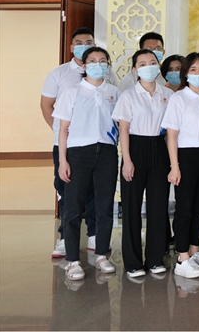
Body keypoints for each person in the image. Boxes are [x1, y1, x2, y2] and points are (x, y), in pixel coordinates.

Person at [41, 27, 115, 258]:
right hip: (69, 145)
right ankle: (66, 239)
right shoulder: (60, 74)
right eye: (80, 43)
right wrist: (63, 133)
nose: (85, 46)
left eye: (89, 42)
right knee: (68, 192)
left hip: (102, 147)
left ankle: (94, 235)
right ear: (73, 47)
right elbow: (47, 106)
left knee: (97, 194)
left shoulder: (110, 82)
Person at [53, 47, 120, 281]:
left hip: (107, 152)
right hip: (78, 153)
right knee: (73, 207)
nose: (97, 64)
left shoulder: (114, 92)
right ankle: (72, 260)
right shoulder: (72, 92)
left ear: (108, 65)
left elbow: (121, 125)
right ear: (84, 66)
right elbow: (63, 129)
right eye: (92, 61)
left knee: (104, 205)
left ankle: (101, 254)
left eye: (102, 61)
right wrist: (63, 161)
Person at [112, 49, 174, 278]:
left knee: (158, 207)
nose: (148, 66)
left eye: (152, 62)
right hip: (135, 149)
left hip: (159, 147)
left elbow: (171, 130)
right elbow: (124, 130)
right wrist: (127, 160)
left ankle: (155, 259)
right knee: (132, 208)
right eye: (142, 63)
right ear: (135, 69)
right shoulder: (128, 95)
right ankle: (133, 262)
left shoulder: (168, 94)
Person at [161, 52, 199, 279]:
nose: (198, 73)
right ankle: (182, 257)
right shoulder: (179, 98)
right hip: (186, 156)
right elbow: (171, 135)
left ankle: (194, 251)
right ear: (185, 73)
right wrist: (174, 166)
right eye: (193, 69)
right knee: (184, 208)